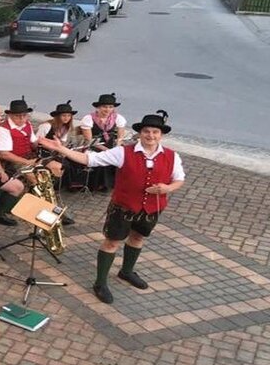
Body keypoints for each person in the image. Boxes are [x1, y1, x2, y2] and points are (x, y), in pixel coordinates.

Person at [41, 112, 184, 304]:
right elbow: (89, 160)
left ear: (161, 135)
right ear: (140, 133)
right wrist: (63, 150)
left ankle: (126, 271)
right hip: (123, 207)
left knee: (138, 237)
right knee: (112, 242)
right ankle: (100, 283)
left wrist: (167, 188)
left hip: (152, 207)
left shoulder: (172, 156)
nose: (151, 135)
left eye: (155, 132)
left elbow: (179, 179)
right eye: (147, 131)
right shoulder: (123, 152)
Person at [79, 93, 128, 190]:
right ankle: (96, 184)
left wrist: (117, 147)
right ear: (99, 107)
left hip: (110, 146)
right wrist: (107, 151)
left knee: (122, 158)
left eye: (110, 107)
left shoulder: (118, 118)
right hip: (93, 146)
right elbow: (89, 140)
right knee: (101, 158)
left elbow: (120, 136)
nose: (108, 110)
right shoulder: (88, 118)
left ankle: (113, 183)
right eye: (104, 107)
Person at [38, 101, 86, 190]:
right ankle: (54, 186)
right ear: (58, 116)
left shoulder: (65, 127)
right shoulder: (46, 126)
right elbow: (36, 142)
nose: (66, 118)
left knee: (75, 161)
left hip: (56, 152)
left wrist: (65, 151)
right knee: (63, 164)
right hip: (42, 154)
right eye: (64, 115)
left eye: (68, 116)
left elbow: (63, 143)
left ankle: (71, 184)